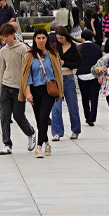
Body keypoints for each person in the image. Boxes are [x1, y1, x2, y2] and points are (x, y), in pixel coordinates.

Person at [0, 22, 37, 155]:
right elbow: (1, 70)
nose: (5, 39)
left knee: (18, 115)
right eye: (3, 36)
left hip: (19, 87)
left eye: (7, 36)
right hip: (6, 86)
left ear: (13, 34)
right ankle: (7, 144)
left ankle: (30, 132)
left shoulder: (22, 49)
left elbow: (27, 68)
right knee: (4, 116)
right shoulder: (2, 50)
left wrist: (27, 88)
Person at [22, 30, 62, 158]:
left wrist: (60, 91)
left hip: (49, 89)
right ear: (34, 39)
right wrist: (27, 92)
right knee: (39, 118)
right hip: (35, 89)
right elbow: (26, 75)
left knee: (44, 116)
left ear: (47, 39)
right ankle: (46, 142)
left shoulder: (53, 54)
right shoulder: (29, 55)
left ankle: (39, 147)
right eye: (38, 38)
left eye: (43, 38)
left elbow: (58, 73)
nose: (41, 40)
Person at [50, 26, 82, 141]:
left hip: (68, 77)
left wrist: (65, 63)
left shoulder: (73, 47)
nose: (59, 40)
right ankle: (57, 132)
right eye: (57, 38)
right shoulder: (55, 47)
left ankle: (75, 129)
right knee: (56, 107)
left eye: (61, 38)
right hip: (57, 78)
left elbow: (78, 62)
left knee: (72, 105)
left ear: (66, 36)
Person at [76, 35, 103, 127]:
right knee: (94, 97)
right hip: (93, 74)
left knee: (85, 97)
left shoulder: (79, 48)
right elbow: (101, 61)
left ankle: (87, 116)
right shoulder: (97, 48)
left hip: (82, 75)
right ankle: (92, 117)